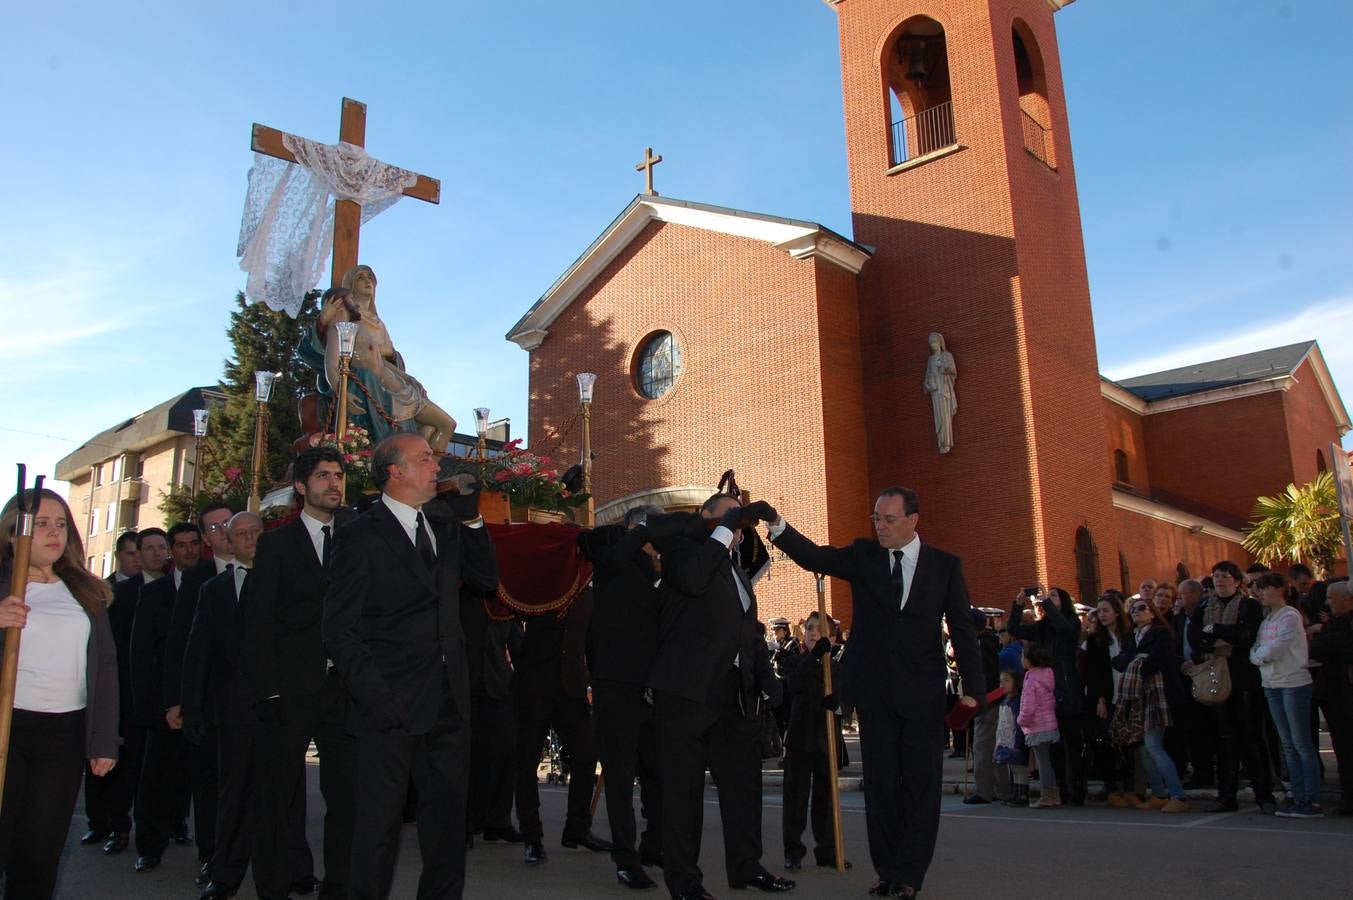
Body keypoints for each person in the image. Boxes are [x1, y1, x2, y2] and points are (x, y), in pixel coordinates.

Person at [767, 486, 983, 899]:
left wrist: (973, 690)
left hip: (921, 694)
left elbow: (963, 631)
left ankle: (910, 876)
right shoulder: (864, 556)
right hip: (876, 694)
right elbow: (816, 556)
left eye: (889, 519)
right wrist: (777, 524)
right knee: (881, 786)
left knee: (921, 787)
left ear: (913, 520)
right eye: (876, 519)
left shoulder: (944, 567)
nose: (880, 527)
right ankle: (887, 872)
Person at [322, 433, 498, 899]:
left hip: (448, 702)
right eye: (425, 458)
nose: (436, 466)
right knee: (376, 831)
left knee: (445, 831)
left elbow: (485, 581)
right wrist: (378, 698)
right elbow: (340, 629)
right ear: (395, 471)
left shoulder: (442, 526)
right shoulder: (358, 534)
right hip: (387, 708)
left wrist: (474, 518)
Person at [644, 495, 795, 899]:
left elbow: (748, 631)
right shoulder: (682, 550)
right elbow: (692, 580)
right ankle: (684, 881)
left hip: (734, 693)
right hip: (686, 690)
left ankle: (746, 865)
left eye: (739, 520)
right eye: (727, 516)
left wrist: (766, 679)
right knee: (683, 790)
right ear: (704, 517)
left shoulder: (735, 569)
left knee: (743, 784)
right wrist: (724, 528)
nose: (737, 525)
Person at [244, 446, 354, 899]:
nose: (334, 483)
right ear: (301, 487)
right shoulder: (275, 544)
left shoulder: (357, 539)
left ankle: (340, 885)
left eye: (339, 475)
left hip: (346, 689)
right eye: (324, 475)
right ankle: (274, 885)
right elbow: (257, 622)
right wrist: (266, 691)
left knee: (347, 798)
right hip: (289, 691)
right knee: (277, 795)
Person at [0, 488, 119, 899]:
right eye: (42, 524)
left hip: (63, 735)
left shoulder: (86, 592)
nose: (55, 533)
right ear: (14, 535)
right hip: (6, 729)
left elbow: (104, 668)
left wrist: (104, 739)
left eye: (62, 524)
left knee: (39, 853)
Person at [579, 504, 665, 889]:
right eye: (646, 530)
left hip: (655, 687)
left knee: (658, 774)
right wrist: (639, 532)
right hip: (617, 687)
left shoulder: (662, 569)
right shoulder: (611, 558)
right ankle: (625, 859)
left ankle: (654, 844)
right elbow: (601, 548)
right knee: (619, 777)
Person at [182, 511, 264, 898]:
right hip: (231, 712)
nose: (249, 539)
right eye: (240, 534)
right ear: (228, 542)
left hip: (279, 709)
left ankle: (291, 870)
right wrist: (191, 706)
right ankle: (224, 870)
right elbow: (198, 653)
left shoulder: (285, 582)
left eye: (254, 532)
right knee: (232, 794)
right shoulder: (213, 590)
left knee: (286, 795)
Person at [165, 501, 237, 888]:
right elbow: (181, 643)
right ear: (206, 539)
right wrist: (178, 700)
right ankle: (212, 857)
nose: (222, 531)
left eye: (227, 522)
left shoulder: (263, 565)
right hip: (209, 703)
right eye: (213, 528)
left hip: (252, 702)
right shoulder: (197, 580)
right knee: (209, 786)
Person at [311, 271, 458, 448]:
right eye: (360, 278)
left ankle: (426, 473)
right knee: (420, 437)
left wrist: (407, 377)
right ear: (340, 302)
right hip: (381, 390)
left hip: (398, 386)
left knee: (439, 427)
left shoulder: (369, 326)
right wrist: (341, 391)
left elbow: (382, 361)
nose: (368, 282)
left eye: (370, 278)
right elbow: (330, 364)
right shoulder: (341, 329)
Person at [130, 521, 202, 872]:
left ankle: (185, 829)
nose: (188, 550)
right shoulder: (155, 594)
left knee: (193, 780)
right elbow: (141, 653)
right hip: (162, 706)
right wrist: (151, 706)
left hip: (201, 704)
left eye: (194, 543)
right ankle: (149, 846)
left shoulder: (213, 585)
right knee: (155, 779)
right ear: (172, 551)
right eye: (181, 545)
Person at [96, 528, 169, 856]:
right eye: (148, 549)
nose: (156, 554)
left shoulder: (180, 589)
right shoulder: (123, 595)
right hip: (129, 698)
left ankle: (162, 831)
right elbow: (115, 650)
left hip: (165, 699)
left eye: (160, 547)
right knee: (126, 769)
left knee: (159, 773)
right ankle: (118, 828)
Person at [1187, 561, 1277, 813]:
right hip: (1216, 678)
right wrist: (1221, 640)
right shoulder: (1204, 606)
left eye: (1225, 576)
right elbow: (1196, 639)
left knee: (1252, 738)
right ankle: (1227, 796)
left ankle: (1264, 795)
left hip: (1244, 679)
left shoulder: (1249, 605)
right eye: (1216, 576)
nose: (1220, 581)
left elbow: (1246, 634)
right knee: (1224, 740)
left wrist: (1216, 631)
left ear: (1237, 581)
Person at [82, 529, 140, 847]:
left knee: (124, 763)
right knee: (95, 759)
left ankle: (120, 825)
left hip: (130, 690)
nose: (137, 559)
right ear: (119, 555)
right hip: (103, 685)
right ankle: (97, 823)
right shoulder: (99, 590)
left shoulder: (150, 588)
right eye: (131, 553)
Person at [1250, 572, 1322, 817]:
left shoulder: (1290, 616)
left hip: (1294, 683)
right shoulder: (1267, 619)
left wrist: (1261, 656)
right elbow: (1256, 649)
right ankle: (1297, 796)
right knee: (1287, 744)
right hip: (1272, 685)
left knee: (1301, 742)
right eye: (1258, 589)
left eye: (1264, 588)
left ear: (1280, 589)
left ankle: (1311, 800)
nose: (1260, 593)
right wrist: (1260, 656)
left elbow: (1275, 650)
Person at [1006, 586, 1086, 804]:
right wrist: (1018, 604)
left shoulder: (1071, 622)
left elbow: (1062, 626)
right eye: (1047, 596)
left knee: (1071, 741)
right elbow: (1013, 627)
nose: (1047, 599)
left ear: (1063, 601)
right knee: (1054, 744)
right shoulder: (1042, 628)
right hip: (1047, 692)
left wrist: (1046, 603)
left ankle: (1077, 786)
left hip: (1067, 688)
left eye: (1053, 596)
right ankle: (1059, 788)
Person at [781, 612, 847, 871]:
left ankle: (828, 850)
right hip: (799, 739)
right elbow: (794, 684)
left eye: (819, 629)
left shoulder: (837, 667)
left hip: (825, 740)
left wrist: (838, 706)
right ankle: (793, 850)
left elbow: (847, 699)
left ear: (832, 637)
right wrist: (815, 656)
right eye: (809, 628)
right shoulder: (794, 661)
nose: (812, 632)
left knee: (826, 799)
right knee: (795, 798)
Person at [1113, 596, 1190, 812]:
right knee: (1144, 748)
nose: (1136, 611)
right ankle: (1158, 793)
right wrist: (1138, 659)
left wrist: (1135, 660)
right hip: (1139, 696)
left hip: (1160, 695)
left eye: (1141, 608)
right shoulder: (1130, 636)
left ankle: (1178, 795)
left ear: (1152, 612)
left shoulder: (1162, 633)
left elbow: (1155, 662)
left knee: (1153, 744)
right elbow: (1118, 661)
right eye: (1133, 609)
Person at [1084, 591, 1137, 807]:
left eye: (1106, 610)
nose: (1102, 615)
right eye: (1100, 612)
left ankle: (1132, 788)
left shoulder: (1129, 635)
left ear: (1117, 612)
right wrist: (1100, 700)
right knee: (1107, 742)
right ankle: (1112, 787)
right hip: (1107, 697)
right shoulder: (1095, 640)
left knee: (1130, 744)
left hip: (1130, 695)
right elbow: (1093, 673)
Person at [1309, 580, 1353, 815]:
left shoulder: (1342, 625)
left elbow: (1341, 646)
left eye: (1331, 597)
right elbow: (1317, 649)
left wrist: (1325, 637)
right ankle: (1348, 797)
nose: (1327, 603)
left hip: (1346, 693)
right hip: (1333, 695)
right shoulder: (1333, 624)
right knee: (1343, 748)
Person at [1171, 579, 1216, 789]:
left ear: (1197, 594)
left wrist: (1196, 660)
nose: (1179, 598)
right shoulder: (1179, 619)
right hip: (1185, 677)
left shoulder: (1204, 615)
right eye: (1178, 594)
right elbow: (1176, 645)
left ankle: (1208, 771)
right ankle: (1199, 771)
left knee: (1207, 728)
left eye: (1184, 593)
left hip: (1206, 673)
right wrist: (1181, 662)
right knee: (1192, 729)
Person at [963, 609, 1002, 804]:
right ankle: (993, 788)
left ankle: (983, 790)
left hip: (985, 701)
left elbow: (985, 676)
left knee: (982, 745)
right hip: (990, 700)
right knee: (988, 745)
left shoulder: (981, 646)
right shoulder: (990, 641)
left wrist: (977, 698)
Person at [1018, 643, 1061, 808]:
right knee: (1047, 761)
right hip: (1049, 723)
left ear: (1028, 660)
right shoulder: (1047, 675)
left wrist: (1021, 720)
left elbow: (1028, 706)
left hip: (1036, 725)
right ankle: (1054, 793)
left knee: (1042, 762)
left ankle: (1046, 795)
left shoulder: (1031, 680)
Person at [993, 669, 1028, 806]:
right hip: (1006, 739)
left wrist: (1019, 742)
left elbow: (1018, 724)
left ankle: (1022, 793)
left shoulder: (1017, 702)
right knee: (1012, 768)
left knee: (1020, 768)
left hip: (1016, 739)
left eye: (1007, 681)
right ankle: (1015, 792)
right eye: (1001, 682)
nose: (1003, 684)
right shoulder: (1004, 702)